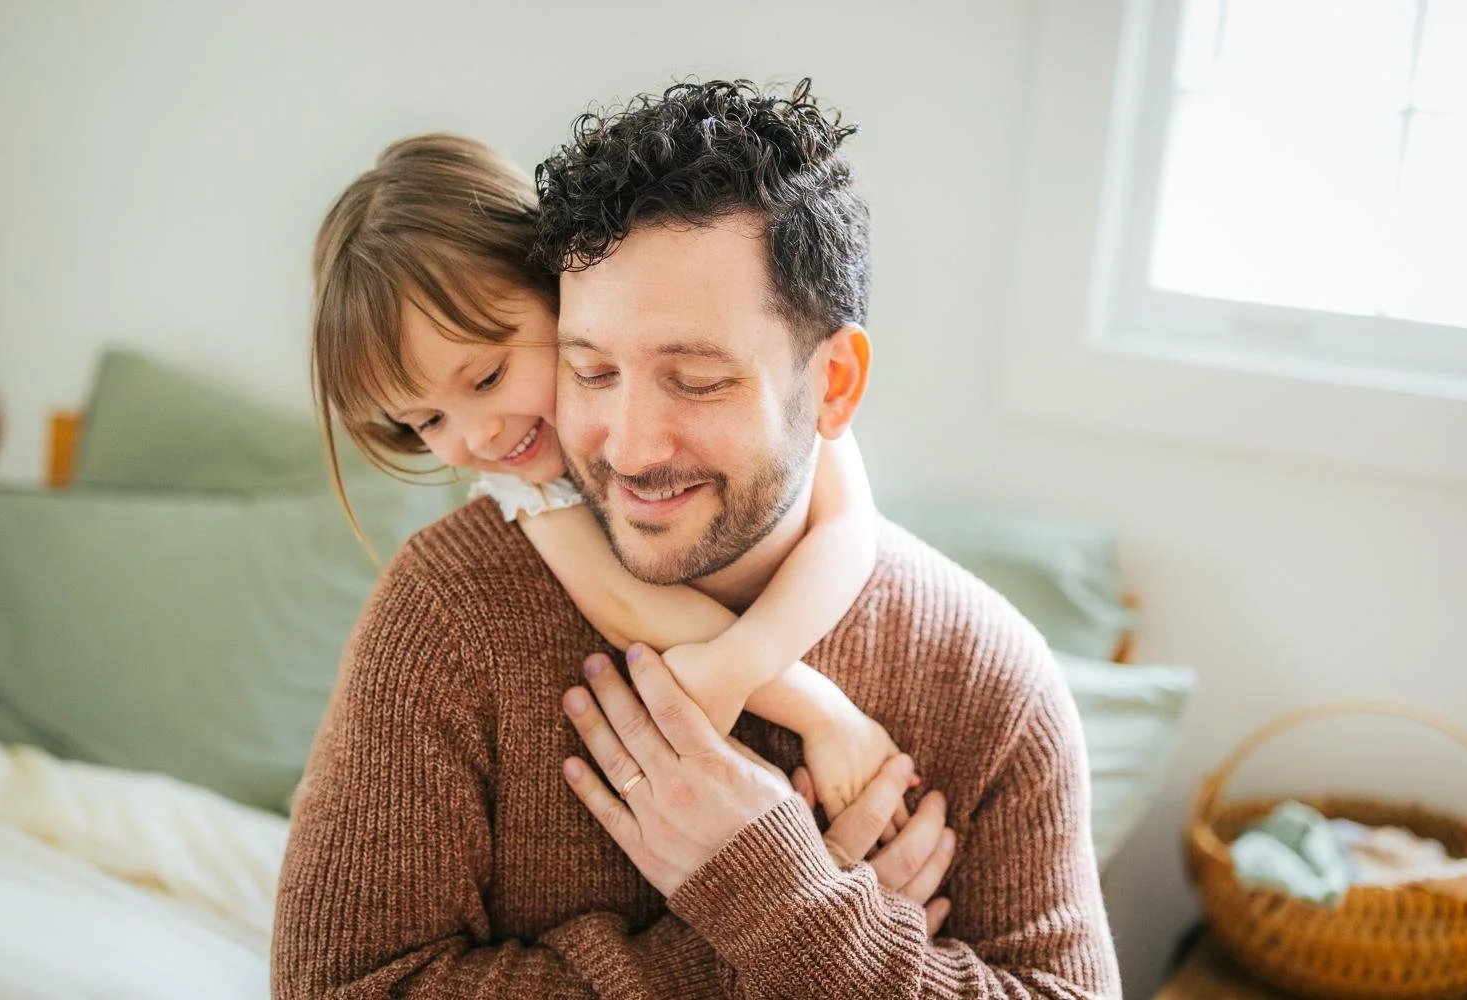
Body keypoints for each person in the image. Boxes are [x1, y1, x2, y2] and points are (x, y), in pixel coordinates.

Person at [273, 79, 1120, 998]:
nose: (630, 449)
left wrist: (789, 906)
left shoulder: (990, 679)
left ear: (833, 385)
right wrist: (753, 934)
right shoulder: (447, 615)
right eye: (589, 370)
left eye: (698, 379)